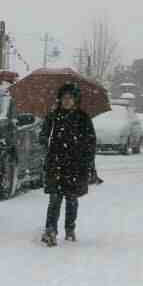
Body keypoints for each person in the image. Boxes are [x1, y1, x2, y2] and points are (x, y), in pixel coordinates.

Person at [40, 82, 97, 246]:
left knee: (72, 198)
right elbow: (43, 134)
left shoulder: (83, 118)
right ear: (60, 99)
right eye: (64, 98)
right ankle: (50, 230)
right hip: (55, 162)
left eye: (70, 98)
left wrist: (88, 161)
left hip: (75, 164)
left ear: (75, 100)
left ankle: (70, 229)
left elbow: (91, 141)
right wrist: (44, 140)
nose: (66, 101)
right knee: (55, 198)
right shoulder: (53, 116)